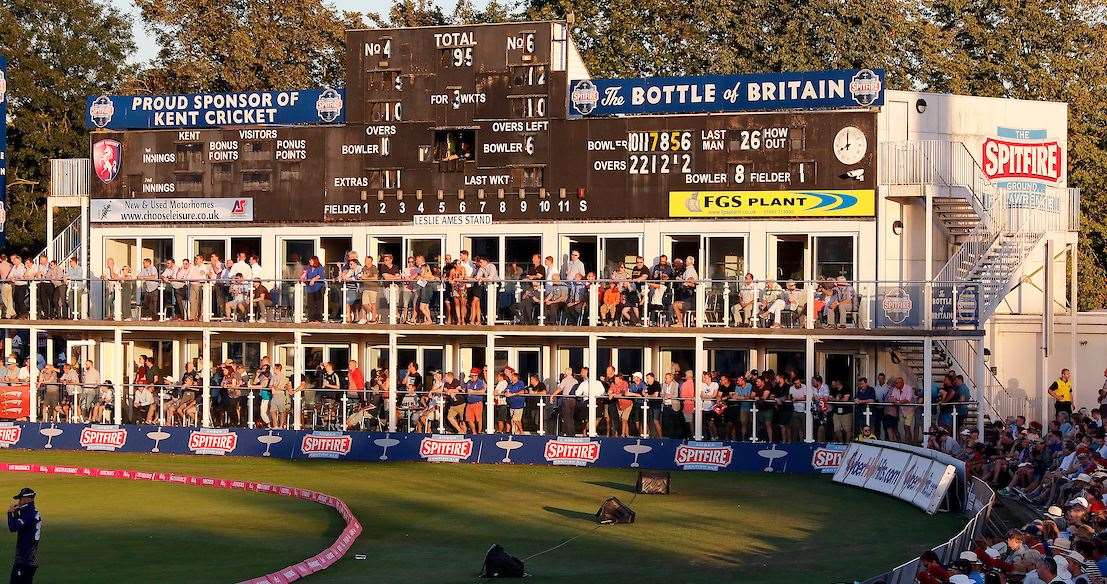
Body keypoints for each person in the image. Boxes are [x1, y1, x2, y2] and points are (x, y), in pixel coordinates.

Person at [6, 487, 40, 584]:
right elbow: (22, 527)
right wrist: (16, 513)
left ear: (27, 499)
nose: (19, 501)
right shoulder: (33, 512)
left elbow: (13, 528)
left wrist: (9, 513)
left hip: (24, 560)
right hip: (30, 560)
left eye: (20, 499)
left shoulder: (28, 514)